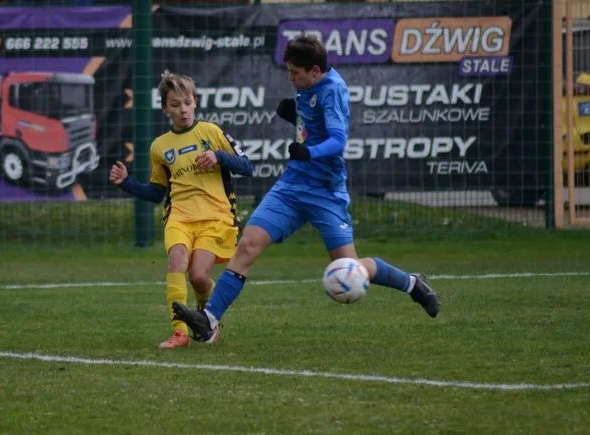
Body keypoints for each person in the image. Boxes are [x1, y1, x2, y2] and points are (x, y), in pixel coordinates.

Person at [172, 35, 440, 344]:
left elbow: (338, 140)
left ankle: (412, 283)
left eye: (294, 73)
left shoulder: (334, 91)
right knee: (248, 245)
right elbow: (312, 127)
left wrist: (309, 152)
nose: (290, 78)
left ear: (314, 70)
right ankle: (209, 321)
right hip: (292, 185)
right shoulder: (308, 86)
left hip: (325, 190)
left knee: (348, 268)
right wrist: (297, 119)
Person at [110, 70, 254, 348]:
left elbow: (247, 166)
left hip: (216, 217)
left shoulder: (211, 133)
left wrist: (218, 156)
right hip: (180, 217)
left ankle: (209, 318)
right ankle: (180, 333)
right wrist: (126, 182)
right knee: (176, 259)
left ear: (195, 102)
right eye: (175, 105)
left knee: (199, 277)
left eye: (187, 102)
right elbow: (155, 193)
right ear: (165, 108)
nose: (183, 110)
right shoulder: (159, 147)